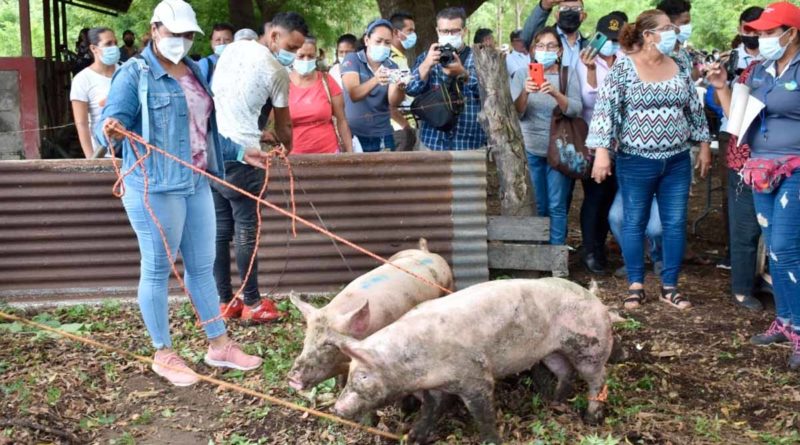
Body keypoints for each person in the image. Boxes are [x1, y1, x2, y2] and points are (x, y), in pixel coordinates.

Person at [94, 0, 266, 386]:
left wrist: (241, 151)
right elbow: (107, 126)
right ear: (154, 30)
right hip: (154, 185)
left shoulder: (195, 71)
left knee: (202, 267)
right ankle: (164, 352)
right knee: (157, 268)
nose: (181, 41)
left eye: (188, 35)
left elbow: (204, 128)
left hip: (196, 181)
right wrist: (112, 128)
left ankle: (219, 345)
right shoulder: (133, 73)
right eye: (174, 34)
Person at [588, 9, 712, 310]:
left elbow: (693, 109)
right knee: (634, 222)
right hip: (636, 159)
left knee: (674, 222)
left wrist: (705, 144)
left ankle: (669, 286)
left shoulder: (681, 63)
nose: (674, 32)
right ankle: (635, 284)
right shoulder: (624, 68)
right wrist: (602, 151)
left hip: (677, 159)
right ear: (648, 35)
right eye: (668, 28)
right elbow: (606, 110)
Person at [707, 1, 800, 367]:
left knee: (785, 247)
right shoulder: (758, 71)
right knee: (774, 251)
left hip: (795, 169)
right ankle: (786, 320)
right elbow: (738, 120)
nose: (761, 38)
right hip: (760, 170)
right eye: (759, 33)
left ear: (791, 33)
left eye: (768, 32)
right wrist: (720, 87)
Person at [211, 12, 308, 323]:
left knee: (220, 231)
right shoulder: (276, 70)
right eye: (291, 47)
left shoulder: (234, 48)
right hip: (245, 160)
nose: (292, 55)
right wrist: (285, 145)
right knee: (246, 231)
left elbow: (232, 100)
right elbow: (285, 122)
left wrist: (257, 130)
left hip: (215, 153)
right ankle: (252, 303)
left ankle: (224, 301)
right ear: (275, 36)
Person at [511, 27, 582, 245]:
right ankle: (540, 253)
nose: (545, 50)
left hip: (560, 149)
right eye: (540, 45)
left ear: (560, 51)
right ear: (533, 50)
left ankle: (557, 258)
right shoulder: (523, 74)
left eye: (551, 46)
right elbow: (517, 113)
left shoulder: (567, 74)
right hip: (532, 148)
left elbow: (575, 109)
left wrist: (555, 92)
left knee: (557, 204)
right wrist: (526, 92)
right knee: (539, 204)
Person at [576, 12, 626, 273]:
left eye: (617, 39)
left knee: (612, 195)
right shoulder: (582, 60)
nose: (611, 44)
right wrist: (592, 71)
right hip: (593, 140)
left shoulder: (629, 60)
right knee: (595, 194)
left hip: (624, 141)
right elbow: (588, 101)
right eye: (606, 38)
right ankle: (590, 249)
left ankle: (603, 245)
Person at [406, 7, 487, 151]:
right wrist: (426, 65)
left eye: (454, 31)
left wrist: (464, 74)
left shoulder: (480, 58)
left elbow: (490, 95)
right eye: (444, 31)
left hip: (469, 142)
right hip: (432, 141)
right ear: (437, 31)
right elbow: (411, 89)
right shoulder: (427, 57)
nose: (449, 35)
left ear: (464, 31)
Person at [341, 19, 406, 152]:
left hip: (383, 134)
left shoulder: (392, 66)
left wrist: (401, 87)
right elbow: (354, 94)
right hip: (355, 135)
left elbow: (393, 101)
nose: (382, 46)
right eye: (378, 41)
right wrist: (376, 79)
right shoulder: (352, 59)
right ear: (367, 40)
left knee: (385, 172)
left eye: (387, 43)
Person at [289, 36, 353, 154]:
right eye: (301, 56)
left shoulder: (327, 81)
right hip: (293, 157)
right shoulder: (283, 84)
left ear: (316, 56)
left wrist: (350, 153)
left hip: (329, 154)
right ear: (293, 55)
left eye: (310, 56)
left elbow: (342, 120)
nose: (306, 60)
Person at [71, 27, 119, 158]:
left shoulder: (127, 73)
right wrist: (91, 160)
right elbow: (81, 124)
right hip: (103, 154)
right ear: (93, 48)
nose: (114, 47)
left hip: (132, 153)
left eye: (116, 43)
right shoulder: (82, 80)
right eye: (108, 44)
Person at [521, 0, 587, 69]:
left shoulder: (589, 46)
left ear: (584, 16)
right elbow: (527, 37)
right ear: (556, 15)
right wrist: (544, 5)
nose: (569, 12)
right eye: (564, 8)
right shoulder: (542, 39)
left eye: (576, 9)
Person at [388, 11, 416, 149]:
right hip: (399, 128)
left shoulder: (401, 58)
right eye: (409, 31)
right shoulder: (390, 59)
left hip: (407, 124)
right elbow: (388, 101)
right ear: (396, 32)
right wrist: (405, 125)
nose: (413, 35)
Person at [656, 0, 694, 73]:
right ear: (668, 24)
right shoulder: (656, 53)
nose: (689, 26)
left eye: (689, 22)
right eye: (685, 22)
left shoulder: (684, 53)